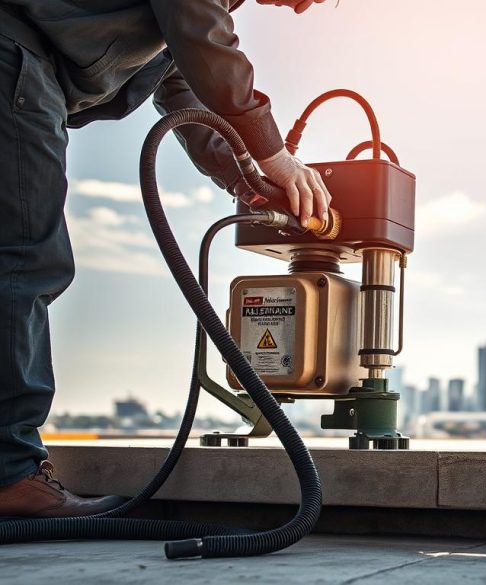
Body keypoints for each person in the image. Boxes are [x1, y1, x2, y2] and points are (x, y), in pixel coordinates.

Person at [0, 0, 331, 517]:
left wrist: (249, 178)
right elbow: (204, 41)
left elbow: (184, 87)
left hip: (21, 65)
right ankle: (8, 475)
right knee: (26, 261)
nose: (304, 7)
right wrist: (275, 154)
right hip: (14, 56)